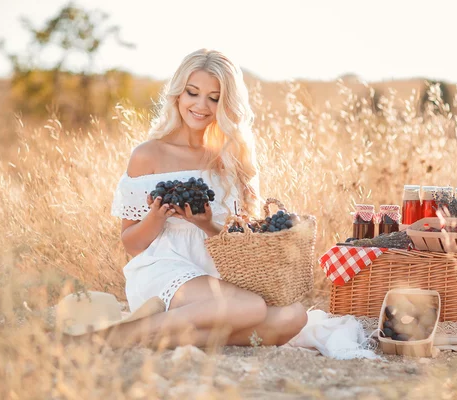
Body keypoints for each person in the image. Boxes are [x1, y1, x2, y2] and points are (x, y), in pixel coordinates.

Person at [106, 49, 308, 348]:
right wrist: (156, 216)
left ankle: (158, 337)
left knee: (294, 317)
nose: (201, 106)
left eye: (214, 98)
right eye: (193, 93)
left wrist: (207, 224)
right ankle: (114, 336)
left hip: (221, 273)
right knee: (250, 308)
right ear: (178, 94)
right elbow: (132, 245)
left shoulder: (233, 157)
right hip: (164, 269)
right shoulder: (148, 154)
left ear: (226, 104)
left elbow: (244, 237)